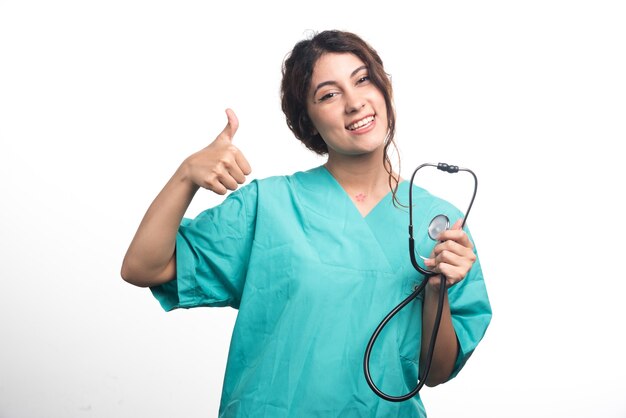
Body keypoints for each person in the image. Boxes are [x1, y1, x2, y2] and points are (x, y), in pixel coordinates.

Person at [121, 29, 491, 418]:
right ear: (308, 122)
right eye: (329, 95)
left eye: (363, 80)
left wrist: (437, 289)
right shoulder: (269, 206)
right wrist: (185, 177)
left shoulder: (442, 224)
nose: (354, 103)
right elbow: (143, 267)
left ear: (385, 90)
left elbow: (436, 372)